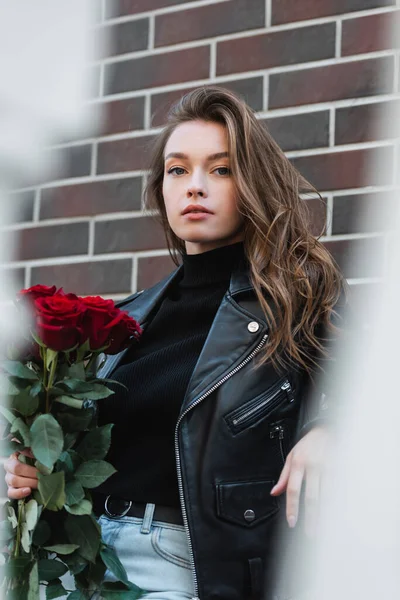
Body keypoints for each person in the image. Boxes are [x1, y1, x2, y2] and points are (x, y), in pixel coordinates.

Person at [3, 87, 345, 600]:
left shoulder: (294, 303)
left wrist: (330, 432)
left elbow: (373, 384)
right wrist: (28, 466)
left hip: (180, 564)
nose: (195, 187)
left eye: (221, 169)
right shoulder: (127, 318)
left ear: (254, 182)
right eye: (178, 170)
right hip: (82, 557)